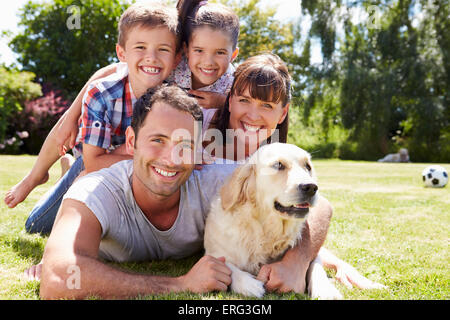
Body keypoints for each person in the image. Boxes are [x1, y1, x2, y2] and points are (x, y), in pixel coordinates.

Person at [22, 2, 182, 234]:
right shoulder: (103, 93)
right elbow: (95, 162)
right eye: (140, 47)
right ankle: (68, 175)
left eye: (163, 49)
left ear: (176, 59)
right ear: (121, 53)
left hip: (129, 169)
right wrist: (146, 155)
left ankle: (70, 175)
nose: (152, 57)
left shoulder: (176, 99)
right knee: (37, 226)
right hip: (93, 163)